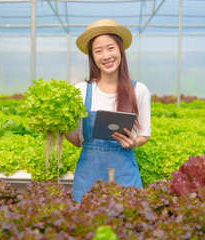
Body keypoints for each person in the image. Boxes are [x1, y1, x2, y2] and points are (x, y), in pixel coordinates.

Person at [65, 19, 151, 203]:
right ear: (92, 57)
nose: (106, 55)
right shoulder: (81, 90)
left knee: (126, 223)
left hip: (125, 173)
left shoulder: (139, 91)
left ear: (121, 50)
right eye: (98, 51)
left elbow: (145, 134)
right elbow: (77, 141)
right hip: (89, 174)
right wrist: (60, 126)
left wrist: (134, 143)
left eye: (110, 48)